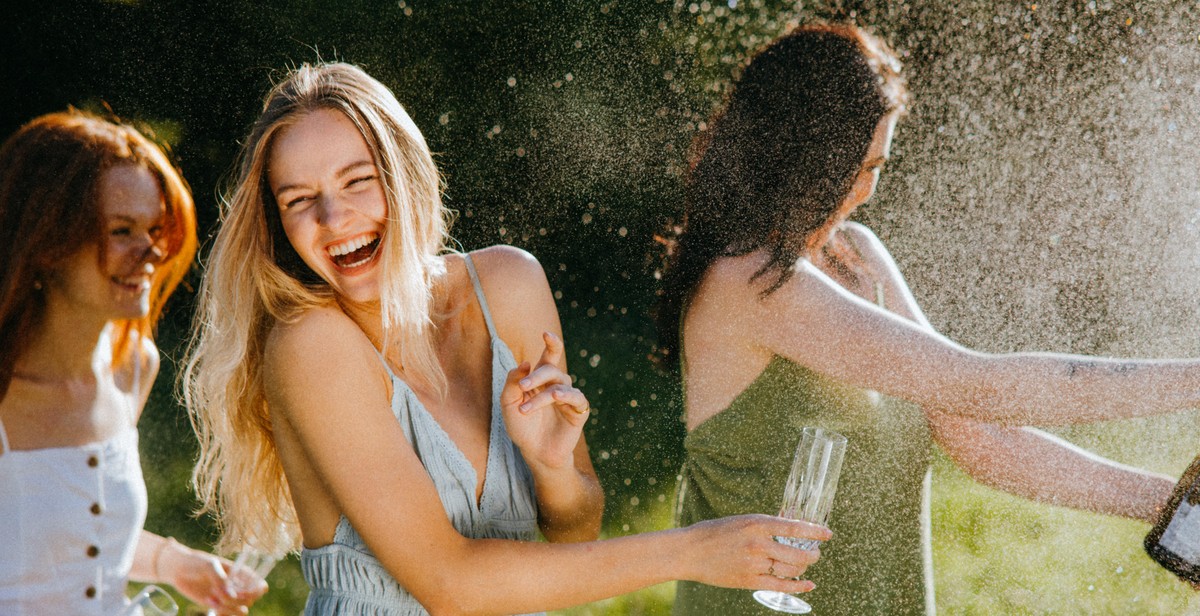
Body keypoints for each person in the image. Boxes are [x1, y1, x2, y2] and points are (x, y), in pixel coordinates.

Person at [182, 61, 830, 615]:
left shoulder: (508, 285)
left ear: (406, 172)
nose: (332, 218)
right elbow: (448, 584)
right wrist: (694, 549)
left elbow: (576, 537)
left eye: (357, 180)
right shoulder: (309, 344)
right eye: (299, 200)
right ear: (280, 224)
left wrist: (552, 470)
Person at [657, 23, 1200, 615]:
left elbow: (980, 434)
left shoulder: (857, 255)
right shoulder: (748, 280)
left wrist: (1174, 507)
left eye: (878, 166)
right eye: (854, 168)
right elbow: (981, 385)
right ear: (797, 156)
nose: (864, 191)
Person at [0, 110, 266, 615]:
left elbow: (73, 534)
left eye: (154, 229)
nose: (151, 252)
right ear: (48, 243)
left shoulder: (132, 367)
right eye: (122, 230)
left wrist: (175, 563)